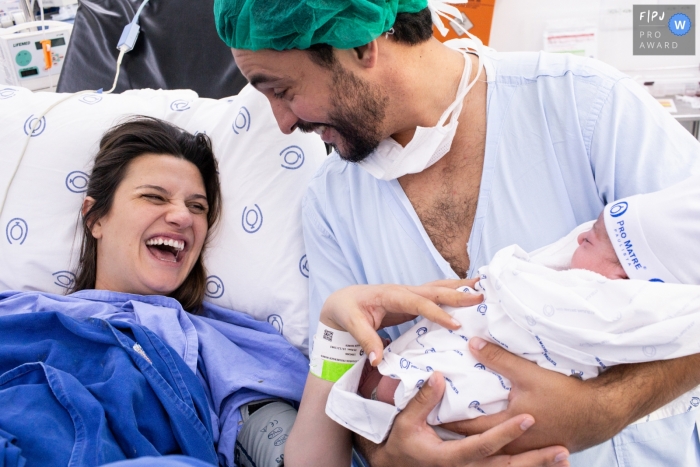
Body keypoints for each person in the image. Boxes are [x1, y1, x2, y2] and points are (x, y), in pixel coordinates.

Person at [216, 1, 700, 466]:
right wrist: (391, 455)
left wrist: (605, 406)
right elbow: (347, 402)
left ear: (361, 45)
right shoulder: (332, 200)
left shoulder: (585, 105)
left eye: (280, 90)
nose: (282, 123)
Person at [0, 117, 308, 467]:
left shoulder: (220, 345)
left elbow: (288, 451)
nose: (182, 217)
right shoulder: (18, 310)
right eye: (153, 196)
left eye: (197, 207)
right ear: (95, 218)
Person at [331, 176, 700, 441]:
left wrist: (605, 406)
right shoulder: (333, 192)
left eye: (598, 240)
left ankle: (390, 395)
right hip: (465, 340)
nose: (583, 233)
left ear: (623, 284)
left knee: (462, 381)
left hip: (521, 371)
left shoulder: (602, 304)